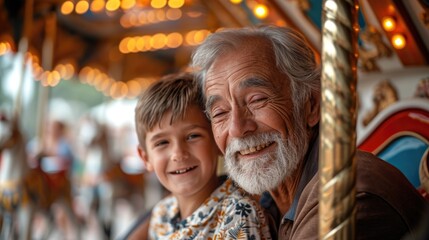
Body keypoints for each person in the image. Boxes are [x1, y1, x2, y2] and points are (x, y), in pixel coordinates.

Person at [190, 25, 428, 239]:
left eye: (257, 100)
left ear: (311, 105)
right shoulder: (257, 207)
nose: (237, 129)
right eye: (220, 112)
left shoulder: (347, 190)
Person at [131, 72, 272, 239]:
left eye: (192, 136)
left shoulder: (238, 214)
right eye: (162, 143)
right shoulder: (161, 214)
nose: (178, 154)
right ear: (146, 157)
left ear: (218, 142)